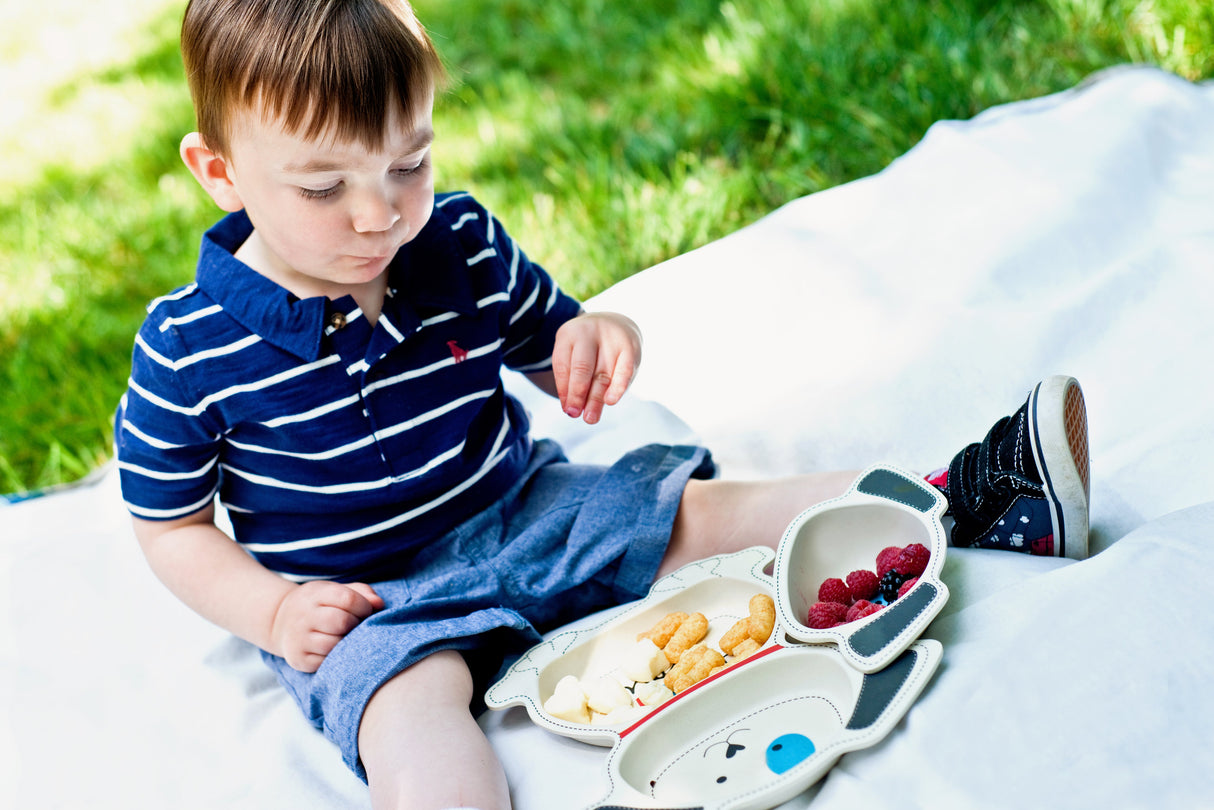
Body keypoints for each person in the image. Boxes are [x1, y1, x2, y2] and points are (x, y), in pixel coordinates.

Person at [113, 1, 1091, 807]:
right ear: (221, 173)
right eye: (323, 186)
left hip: (522, 512)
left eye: (407, 163)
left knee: (692, 512)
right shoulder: (190, 346)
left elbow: (551, 344)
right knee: (409, 724)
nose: (379, 215)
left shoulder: (451, 241)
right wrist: (276, 611)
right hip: (371, 601)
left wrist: (597, 337)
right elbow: (172, 528)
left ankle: (972, 495)